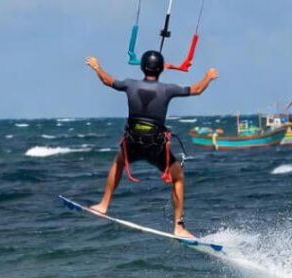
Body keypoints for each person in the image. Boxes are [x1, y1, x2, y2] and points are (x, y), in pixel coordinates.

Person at [86, 50, 218, 238]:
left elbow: (107, 81)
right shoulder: (168, 89)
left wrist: (97, 67)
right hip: (156, 147)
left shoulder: (129, 85)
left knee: (119, 162)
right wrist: (208, 77)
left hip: (132, 142)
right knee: (178, 178)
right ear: (161, 69)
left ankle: (103, 205)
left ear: (142, 67)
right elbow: (196, 90)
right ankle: (179, 226)